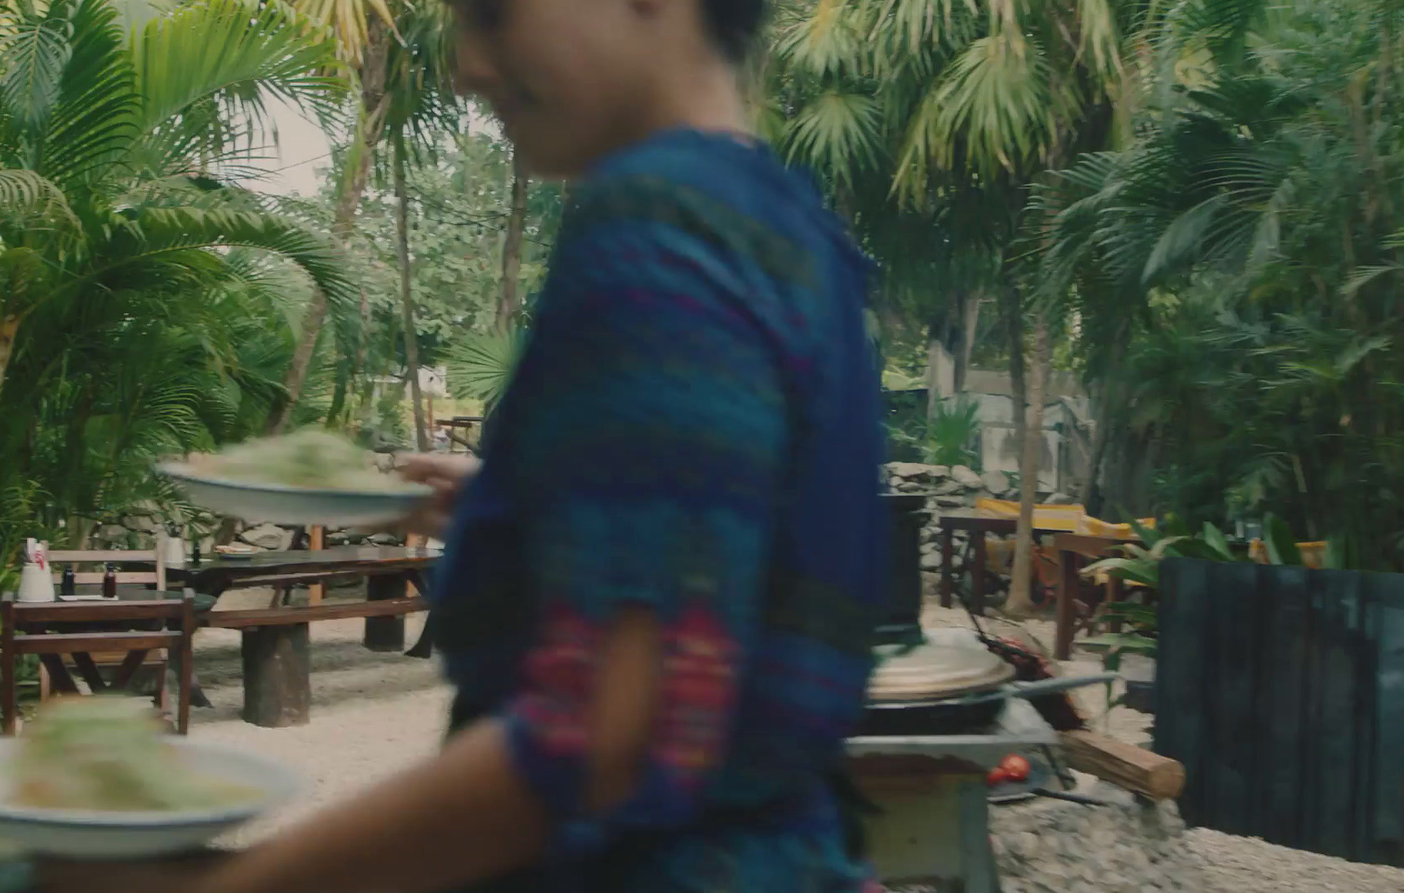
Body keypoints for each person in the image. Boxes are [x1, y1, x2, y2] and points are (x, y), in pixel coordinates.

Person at [47, 0, 885, 890]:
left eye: (491, 14)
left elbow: (603, 733)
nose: (465, 66)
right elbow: (750, 553)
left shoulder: (655, 222)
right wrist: (528, 499)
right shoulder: (791, 226)